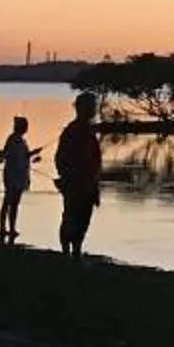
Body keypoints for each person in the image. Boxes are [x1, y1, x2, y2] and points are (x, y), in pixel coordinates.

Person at [54, 93, 104, 259]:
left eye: (94, 106)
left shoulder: (89, 131)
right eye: (91, 106)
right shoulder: (71, 131)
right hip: (75, 184)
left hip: (88, 184)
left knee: (84, 218)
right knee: (71, 216)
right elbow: (60, 158)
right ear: (80, 108)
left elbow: (95, 159)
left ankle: (76, 249)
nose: (94, 110)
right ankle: (67, 250)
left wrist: (94, 180)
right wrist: (67, 178)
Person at [0, 117, 35, 245]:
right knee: (8, 201)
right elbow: (7, 154)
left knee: (14, 203)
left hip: (18, 175)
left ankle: (11, 228)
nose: (26, 128)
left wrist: (33, 154)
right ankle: (3, 228)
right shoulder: (12, 139)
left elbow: (24, 156)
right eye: (25, 126)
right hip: (12, 174)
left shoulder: (21, 141)